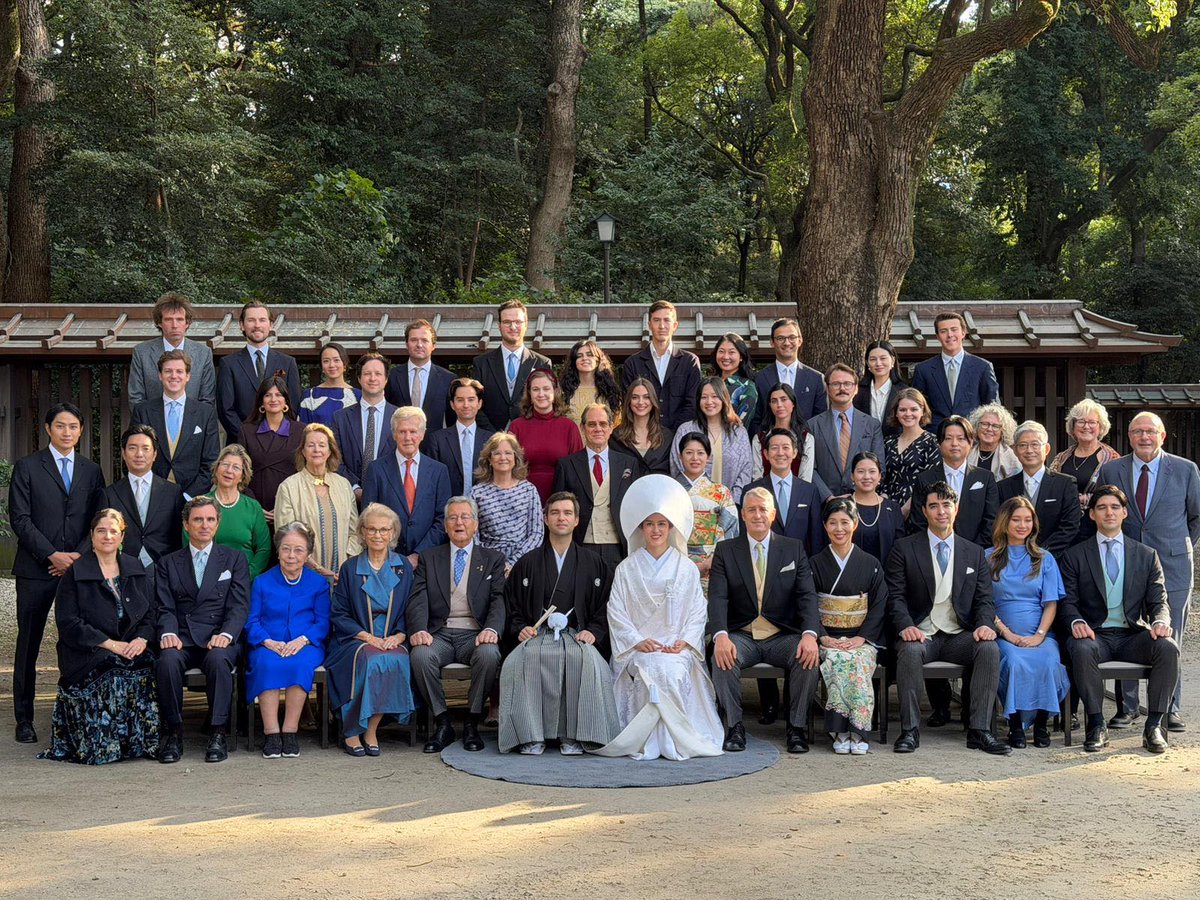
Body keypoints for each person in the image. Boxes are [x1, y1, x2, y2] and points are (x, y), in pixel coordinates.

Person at [593, 475, 724, 760]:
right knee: (649, 670)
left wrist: (685, 642)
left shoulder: (686, 568)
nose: (655, 530)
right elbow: (616, 613)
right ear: (641, 527)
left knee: (671, 670)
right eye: (650, 524)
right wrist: (638, 642)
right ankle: (646, 740)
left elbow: (697, 612)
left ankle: (676, 739)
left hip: (675, 647)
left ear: (671, 527)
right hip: (641, 647)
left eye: (662, 524)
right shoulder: (627, 569)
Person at [887, 481, 1010, 756]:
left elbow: (984, 599)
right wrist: (906, 625)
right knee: (908, 652)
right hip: (922, 634)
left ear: (956, 508)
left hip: (958, 636)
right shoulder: (904, 548)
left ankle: (980, 730)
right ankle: (909, 731)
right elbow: (895, 597)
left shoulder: (973, 552)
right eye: (934, 506)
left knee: (989, 649)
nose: (941, 511)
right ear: (924, 511)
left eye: (946, 505)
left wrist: (984, 625)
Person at [9, 402, 105, 743]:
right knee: (29, 644)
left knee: (79, 639)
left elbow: (97, 518)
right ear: (48, 429)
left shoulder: (91, 470)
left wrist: (77, 554)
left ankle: (76, 712)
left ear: (81, 431)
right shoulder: (28, 467)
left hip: (78, 569)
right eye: (61, 426)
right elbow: (19, 518)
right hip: (37, 568)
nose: (67, 432)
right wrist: (51, 554)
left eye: (74, 427)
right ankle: (24, 718)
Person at [1096, 411, 1200, 730]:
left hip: (1173, 567)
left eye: (1150, 432)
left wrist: (1177, 546)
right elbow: (1105, 513)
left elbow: (1196, 518)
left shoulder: (1185, 469)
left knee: (1171, 636)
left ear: (1162, 436)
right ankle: (1126, 707)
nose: (1144, 437)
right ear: (1128, 437)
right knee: (1125, 629)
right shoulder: (1112, 469)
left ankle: (1170, 707)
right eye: (1138, 431)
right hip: (1125, 565)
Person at [1059, 486, 1179, 753]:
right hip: (1095, 636)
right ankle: (1097, 724)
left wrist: (1160, 620)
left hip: (1131, 636)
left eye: (1115, 507)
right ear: (1091, 515)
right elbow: (1067, 602)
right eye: (1101, 507)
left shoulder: (1146, 555)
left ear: (1124, 512)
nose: (1109, 512)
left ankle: (1154, 726)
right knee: (1080, 648)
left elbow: (1158, 600)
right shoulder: (1075, 555)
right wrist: (1076, 622)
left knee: (1167, 647)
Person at [498, 492, 620, 755]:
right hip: (538, 633)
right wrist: (520, 628)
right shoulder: (527, 562)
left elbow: (605, 606)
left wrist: (594, 631)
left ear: (577, 520)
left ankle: (574, 734)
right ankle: (530, 735)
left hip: (577, 633)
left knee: (584, 660)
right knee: (523, 660)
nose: (561, 518)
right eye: (555, 513)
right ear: (545, 518)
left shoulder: (594, 563)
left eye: (567, 513)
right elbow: (512, 605)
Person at [38, 510, 159, 764]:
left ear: (122, 536)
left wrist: (141, 640)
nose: (107, 536)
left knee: (148, 664)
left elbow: (149, 615)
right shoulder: (75, 572)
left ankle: (138, 744)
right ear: (92, 535)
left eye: (113, 531)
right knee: (112, 669)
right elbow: (69, 623)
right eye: (101, 530)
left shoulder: (135, 567)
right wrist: (112, 645)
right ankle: (105, 746)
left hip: (130, 645)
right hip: (87, 651)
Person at [707, 488, 821, 754]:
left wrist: (809, 634)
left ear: (773, 514)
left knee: (808, 655)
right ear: (742, 515)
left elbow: (807, 596)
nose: (757, 515)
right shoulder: (726, 550)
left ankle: (796, 727)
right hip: (742, 634)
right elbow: (718, 597)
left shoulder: (792, 548)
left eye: (762, 509)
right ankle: (734, 727)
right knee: (722, 657)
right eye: (751, 509)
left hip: (782, 635)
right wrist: (720, 634)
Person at [154, 497, 251, 764]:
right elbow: (164, 606)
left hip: (218, 636)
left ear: (218, 524)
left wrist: (227, 634)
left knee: (220, 661)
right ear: (186, 525)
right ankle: (173, 733)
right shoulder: (168, 563)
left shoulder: (234, 559)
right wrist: (168, 633)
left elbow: (239, 605)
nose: (204, 525)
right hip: (182, 638)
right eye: (198, 519)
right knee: (166, 662)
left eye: (210, 519)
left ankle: (218, 733)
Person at [408, 497, 507, 753]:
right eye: (452, 517)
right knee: (420, 656)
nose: (459, 522)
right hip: (439, 633)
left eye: (465, 517)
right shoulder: (430, 558)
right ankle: (443, 723)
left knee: (489, 654)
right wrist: (419, 628)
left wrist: (491, 629)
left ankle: (473, 722)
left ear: (476, 524)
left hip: (474, 633)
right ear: (445, 525)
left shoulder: (493, 558)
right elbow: (417, 598)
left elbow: (498, 599)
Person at [327, 504, 419, 757]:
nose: (378, 535)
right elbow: (339, 613)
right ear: (362, 533)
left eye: (384, 530)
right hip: (355, 638)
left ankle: (371, 729)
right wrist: (368, 637)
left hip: (393, 636)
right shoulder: (350, 568)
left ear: (393, 533)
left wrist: (400, 636)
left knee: (396, 659)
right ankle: (352, 731)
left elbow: (413, 608)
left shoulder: (402, 566)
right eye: (372, 529)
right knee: (371, 660)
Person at [987, 496, 1070, 749]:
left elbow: (1051, 603)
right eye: (1016, 519)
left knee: (1048, 661)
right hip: (1003, 634)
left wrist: (1040, 635)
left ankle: (1042, 724)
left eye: (1028, 520)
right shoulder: (987, 557)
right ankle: (1014, 726)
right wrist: (1007, 634)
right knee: (1012, 661)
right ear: (1005, 522)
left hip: (1040, 634)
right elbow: (983, 604)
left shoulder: (1045, 558)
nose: (1022, 525)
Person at [245, 522, 330, 759]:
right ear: (278, 550)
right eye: (286, 549)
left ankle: (290, 732)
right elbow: (251, 621)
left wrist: (302, 640)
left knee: (300, 664)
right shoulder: (262, 581)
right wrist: (267, 642)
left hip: (306, 644)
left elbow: (322, 622)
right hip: (267, 644)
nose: (291, 556)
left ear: (308, 554)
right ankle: (271, 733)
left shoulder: (318, 583)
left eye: (298, 550)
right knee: (267, 663)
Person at [812, 498, 887, 755]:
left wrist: (863, 637)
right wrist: (822, 637)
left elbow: (879, 605)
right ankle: (840, 730)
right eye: (832, 523)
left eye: (845, 522)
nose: (839, 528)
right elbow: (807, 603)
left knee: (855, 660)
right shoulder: (814, 564)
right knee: (837, 659)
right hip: (828, 639)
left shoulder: (871, 564)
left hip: (860, 639)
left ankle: (858, 729)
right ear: (825, 526)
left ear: (855, 525)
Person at [552, 403, 639, 568]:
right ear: (582, 428)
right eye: (592, 424)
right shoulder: (567, 465)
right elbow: (557, 510)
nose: (598, 429)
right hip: (581, 545)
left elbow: (636, 507)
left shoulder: (629, 463)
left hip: (618, 547)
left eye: (603, 424)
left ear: (611, 428)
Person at [362, 407, 451, 565]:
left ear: (422, 434)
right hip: (385, 560)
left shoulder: (439, 471)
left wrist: (418, 555)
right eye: (402, 431)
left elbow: (442, 518)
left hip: (428, 560)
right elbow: (369, 517)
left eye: (413, 431)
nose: (407, 437)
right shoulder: (376, 469)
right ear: (394, 434)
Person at [275, 423, 362, 583]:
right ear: (303, 451)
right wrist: (317, 568)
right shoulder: (288, 487)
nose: (316, 450)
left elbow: (355, 532)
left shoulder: (343, 485)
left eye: (322, 445)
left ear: (330, 451)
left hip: (342, 577)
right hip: (303, 576)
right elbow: (286, 538)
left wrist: (347, 566)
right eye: (311, 445)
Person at [131, 349, 220, 500]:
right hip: (151, 496)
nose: (174, 376)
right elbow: (133, 454)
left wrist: (188, 496)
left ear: (188, 376)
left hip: (192, 498)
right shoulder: (143, 411)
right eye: (168, 371)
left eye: (179, 371)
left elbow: (211, 462)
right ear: (160, 376)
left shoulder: (205, 413)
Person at [216, 299, 302, 443]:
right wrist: (248, 437)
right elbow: (225, 410)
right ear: (242, 325)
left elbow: (293, 404)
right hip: (241, 444)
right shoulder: (228, 364)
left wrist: (275, 434)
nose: (257, 325)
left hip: (280, 442)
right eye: (251, 320)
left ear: (270, 325)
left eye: (262, 320)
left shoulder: (287, 363)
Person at [908, 415, 999, 546]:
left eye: (961, 439)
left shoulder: (985, 478)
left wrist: (974, 551)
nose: (954, 443)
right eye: (948, 438)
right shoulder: (924, 479)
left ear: (970, 443)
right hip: (934, 550)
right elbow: (919, 522)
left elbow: (991, 520)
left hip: (977, 552)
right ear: (939, 444)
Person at [103, 425, 184, 571]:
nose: (139, 454)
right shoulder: (109, 494)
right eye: (132, 448)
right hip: (122, 567)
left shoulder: (173, 492)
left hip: (163, 567)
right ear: (123, 453)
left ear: (154, 454)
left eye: (146, 448)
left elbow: (179, 535)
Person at [997, 420, 1081, 554]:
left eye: (1035, 444)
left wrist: (1041, 553)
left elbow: (1070, 526)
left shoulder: (1065, 484)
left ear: (1047, 449)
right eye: (1023, 445)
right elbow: (1000, 525)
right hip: (1013, 558)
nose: (1029, 450)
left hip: (1054, 559)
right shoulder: (1003, 487)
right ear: (1015, 450)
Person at [621, 300, 702, 432]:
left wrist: (672, 435)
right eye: (657, 320)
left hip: (680, 437)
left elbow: (692, 404)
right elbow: (628, 403)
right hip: (643, 438)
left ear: (675, 325)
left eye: (667, 320)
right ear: (649, 325)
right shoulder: (633, 363)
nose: (662, 325)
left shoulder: (689, 362)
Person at [471, 299, 552, 430]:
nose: (513, 327)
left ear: (526, 325)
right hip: (490, 438)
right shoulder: (481, 363)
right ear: (499, 326)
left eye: (518, 322)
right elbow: (474, 402)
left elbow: (547, 403)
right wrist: (493, 435)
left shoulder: (542, 363)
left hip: (530, 434)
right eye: (507, 322)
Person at [669, 377, 753, 504]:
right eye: (704, 397)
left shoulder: (738, 432)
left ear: (724, 398)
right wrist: (695, 500)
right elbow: (676, 465)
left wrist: (730, 502)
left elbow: (746, 469)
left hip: (730, 505)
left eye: (715, 396)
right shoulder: (685, 429)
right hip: (691, 506)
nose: (709, 402)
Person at [910, 311, 999, 428]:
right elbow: (916, 407)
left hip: (971, 435)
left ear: (963, 332)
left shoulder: (982, 367)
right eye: (943, 331)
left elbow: (993, 407)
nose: (949, 335)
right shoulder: (923, 370)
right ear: (937, 336)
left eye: (954, 329)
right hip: (935, 436)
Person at [744, 428, 826, 555]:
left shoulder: (809, 490)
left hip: (800, 565)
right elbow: (745, 533)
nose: (780, 453)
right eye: (774, 448)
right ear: (765, 454)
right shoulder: (752, 490)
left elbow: (816, 537)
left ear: (794, 453)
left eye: (786, 447)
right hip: (763, 562)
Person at [470, 432, 545, 573]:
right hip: (487, 565)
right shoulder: (477, 492)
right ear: (489, 459)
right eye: (497, 453)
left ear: (516, 458)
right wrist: (492, 564)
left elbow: (537, 533)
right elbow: (472, 533)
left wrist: (512, 563)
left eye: (508, 453)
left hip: (523, 564)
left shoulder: (529, 490)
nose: (503, 458)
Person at [675, 431, 740, 594]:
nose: (694, 458)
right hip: (676, 564)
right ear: (680, 456)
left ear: (708, 457)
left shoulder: (720, 491)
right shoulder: (670, 490)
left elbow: (730, 530)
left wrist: (711, 561)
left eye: (700, 453)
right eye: (689, 453)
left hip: (712, 565)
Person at [808, 363, 886, 497]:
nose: (842, 388)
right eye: (836, 384)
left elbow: (879, 466)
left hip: (862, 500)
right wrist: (828, 497)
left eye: (847, 383)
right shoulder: (812, 425)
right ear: (827, 388)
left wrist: (858, 495)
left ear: (856, 389)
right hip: (825, 503)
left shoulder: (872, 425)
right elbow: (809, 468)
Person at [508, 368, 583, 504]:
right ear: (529, 394)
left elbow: (578, 471)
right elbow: (508, 467)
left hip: (560, 500)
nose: (541, 394)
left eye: (546, 389)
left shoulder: (569, 427)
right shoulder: (516, 426)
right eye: (536, 389)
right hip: (522, 499)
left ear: (555, 391)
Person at [127, 292, 216, 406]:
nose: (174, 325)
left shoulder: (203, 353)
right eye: (168, 319)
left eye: (179, 319)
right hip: (150, 423)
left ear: (187, 323)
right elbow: (136, 399)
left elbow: (207, 400)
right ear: (159, 322)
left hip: (193, 422)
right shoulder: (142, 352)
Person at [237, 375, 304, 521]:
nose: (273, 399)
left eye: (278, 395)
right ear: (261, 401)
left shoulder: (301, 431)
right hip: (254, 509)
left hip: (292, 509)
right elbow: (239, 473)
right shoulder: (246, 431)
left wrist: (287, 505)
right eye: (268, 395)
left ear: (286, 400)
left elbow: (306, 473)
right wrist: (253, 505)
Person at [332, 352, 397, 501]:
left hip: (390, 497)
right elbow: (335, 458)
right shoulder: (340, 418)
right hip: (349, 497)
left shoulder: (400, 417)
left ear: (386, 379)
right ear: (359, 379)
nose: (373, 378)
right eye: (367, 373)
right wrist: (354, 487)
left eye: (378, 374)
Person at [202, 445, 272, 579]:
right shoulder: (200, 505)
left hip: (245, 581)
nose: (229, 470)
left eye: (236, 467)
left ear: (242, 476)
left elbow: (264, 549)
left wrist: (247, 574)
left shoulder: (253, 507)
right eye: (225, 464)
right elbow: (191, 545)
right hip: (208, 580)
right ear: (216, 469)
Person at [749, 317, 826, 435]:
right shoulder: (759, 378)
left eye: (792, 337)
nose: (787, 342)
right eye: (780, 338)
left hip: (807, 445)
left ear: (800, 340)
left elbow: (821, 419)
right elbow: (756, 419)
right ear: (772, 342)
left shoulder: (816, 379)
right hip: (770, 446)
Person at [1048, 398, 1121, 516]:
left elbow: (1117, 494)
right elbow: (1050, 487)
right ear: (1073, 426)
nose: (1086, 426)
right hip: (1064, 523)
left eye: (1092, 422)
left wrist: (1085, 499)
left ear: (1100, 427)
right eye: (1081, 421)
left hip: (1097, 524)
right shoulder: (1061, 458)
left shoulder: (1112, 458)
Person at [424, 377, 495, 497]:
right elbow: (431, 479)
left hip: (484, 508)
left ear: (479, 403)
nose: (466, 405)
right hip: (448, 508)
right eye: (460, 400)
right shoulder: (437, 440)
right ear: (452, 404)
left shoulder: (491, 440)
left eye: (471, 399)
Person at [385, 319, 455, 432]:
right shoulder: (391, 376)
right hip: (399, 442)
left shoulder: (448, 379)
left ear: (433, 345)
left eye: (424, 340)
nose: (419, 345)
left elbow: (452, 420)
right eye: (414, 340)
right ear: (406, 344)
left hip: (434, 446)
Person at [881, 387, 940, 516]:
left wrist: (906, 509)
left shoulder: (932, 442)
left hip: (917, 510)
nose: (908, 414)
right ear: (896, 413)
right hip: (887, 510)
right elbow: (883, 477)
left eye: (914, 409)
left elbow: (930, 481)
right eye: (902, 410)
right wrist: (885, 503)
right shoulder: (888, 442)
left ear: (922, 411)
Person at [749, 383, 816, 483]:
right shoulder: (759, 438)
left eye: (784, 399)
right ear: (770, 405)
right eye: (774, 401)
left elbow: (805, 479)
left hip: (798, 495)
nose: (779, 405)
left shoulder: (806, 438)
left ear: (793, 403)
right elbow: (757, 477)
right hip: (765, 495)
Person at [849, 451, 905, 564]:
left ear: (879, 476)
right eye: (860, 471)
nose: (866, 477)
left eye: (872, 471)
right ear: (852, 476)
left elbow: (900, 549)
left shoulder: (892, 508)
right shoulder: (843, 506)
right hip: (850, 577)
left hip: (886, 577)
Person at [610, 377, 670, 476]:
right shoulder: (616, 437)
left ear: (653, 400)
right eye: (635, 397)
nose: (641, 402)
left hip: (659, 490)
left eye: (646, 397)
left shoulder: (666, 436)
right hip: (626, 490)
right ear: (629, 401)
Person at [561, 339, 622, 434]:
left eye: (589, 355)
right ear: (574, 362)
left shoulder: (610, 392)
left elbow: (617, 424)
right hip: (572, 446)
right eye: (579, 356)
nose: (584, 358)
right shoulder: (564, 392)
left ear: (598, 360)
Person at [298, 342, 360, 425]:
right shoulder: (309, 396)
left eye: (336, 360)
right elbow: (302, 430)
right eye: (326, 361)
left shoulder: (358, 396)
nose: (331, 365)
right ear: (322, 366)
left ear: (344, 364)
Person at [854, 339, 904, 437]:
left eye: (883, 358)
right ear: (867, 363)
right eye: (873, 359)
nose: (878, 363)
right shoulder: (857, 391)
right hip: (865, 448)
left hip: (896, 447)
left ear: (892, 360)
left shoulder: (903, 391)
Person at [711, 332, 758, 425]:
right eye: (721, 351)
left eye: (731, 352)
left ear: (741, 357)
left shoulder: (747, 388)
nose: (725, 356)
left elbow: (741, 425)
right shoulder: (709, 383)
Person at [967, 403, 1020, 481]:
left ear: (1003, 431)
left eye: (995, 426)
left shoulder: (1011, 457)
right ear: (976, 426)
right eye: (985, 424)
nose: (989, 429)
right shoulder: (967, 451)